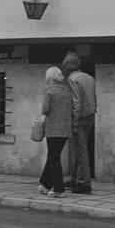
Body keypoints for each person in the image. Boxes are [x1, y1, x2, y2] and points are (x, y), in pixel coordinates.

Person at [62, 52, 96, 194]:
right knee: (80, 149)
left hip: (80, 118)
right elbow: (94, 97)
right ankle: (75, 178)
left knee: (80, 151)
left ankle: (84, 183)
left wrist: (74, 121)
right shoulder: (90, 78)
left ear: (67, 66)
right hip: (90, 116)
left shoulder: (72, 79)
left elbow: (76, 102)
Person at [37, 66, 73, 198]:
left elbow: (45, 109)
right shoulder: (67, 90)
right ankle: (44, 184)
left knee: (54, 158)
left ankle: (59, 189)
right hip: (65, 129)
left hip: (53, 129)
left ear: (49, 77)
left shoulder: (49, 90)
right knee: (53, 155)